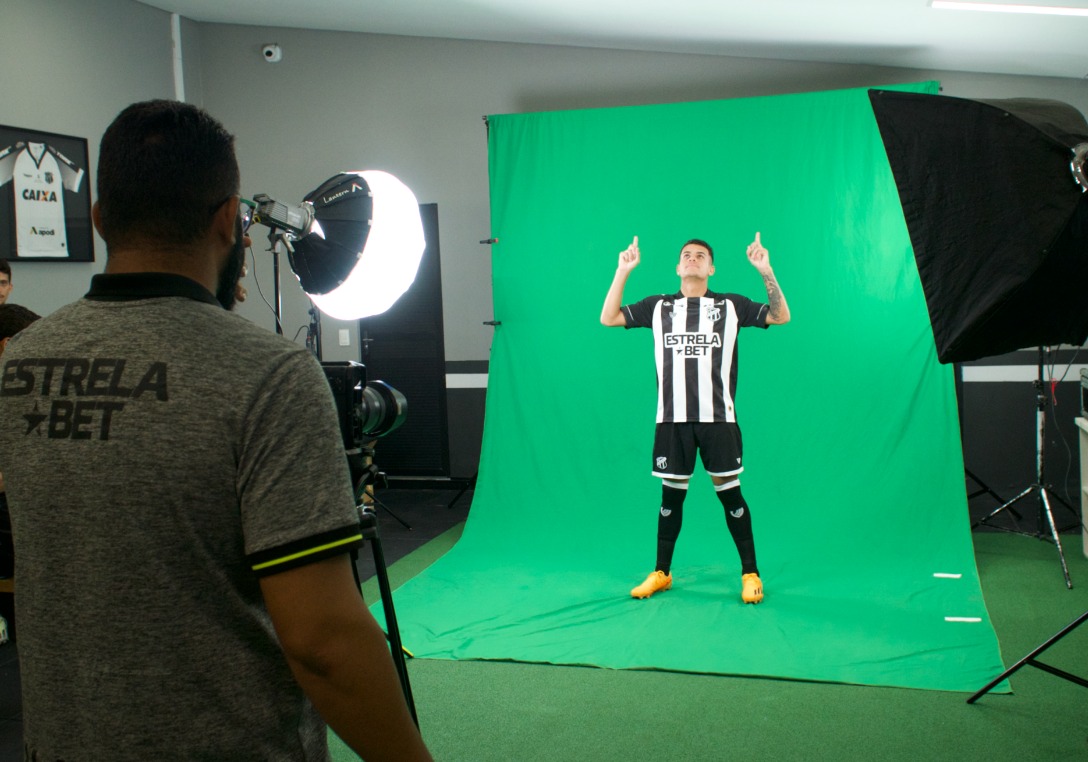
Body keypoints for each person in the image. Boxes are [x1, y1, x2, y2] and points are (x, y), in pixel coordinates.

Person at [0, 100, 432, 761]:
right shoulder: (270, 376)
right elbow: (322, 641)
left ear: (99, 219)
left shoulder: (23, 359)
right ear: (229, 220)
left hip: (60, 743)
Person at [600, 234, 790, 604]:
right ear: (677, 267)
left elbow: (781, 316)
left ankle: (751, 574)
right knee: (670, 496)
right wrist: (623, 271)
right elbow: (608, 318)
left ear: (711, 268)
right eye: (686, 255)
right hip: (671, 419)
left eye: (700, 255)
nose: (692, 259)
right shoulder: (658, 306)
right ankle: (661, 572)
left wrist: (765, 269)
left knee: (730, 492)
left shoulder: (730, 305)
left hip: (718, 418)